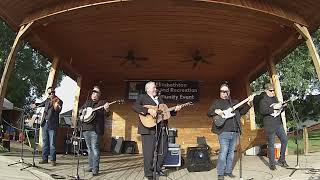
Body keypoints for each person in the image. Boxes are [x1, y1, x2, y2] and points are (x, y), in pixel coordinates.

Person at [132, 81, 181, 180]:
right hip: (147, 128)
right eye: (154, 88)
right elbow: (135, 106)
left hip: (161, 127)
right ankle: (149, 173)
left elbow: (165, 112)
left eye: (155, 87)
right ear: (148, 89)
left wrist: (175, 110)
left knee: (164, 150)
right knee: (148, 152)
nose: (155, 89)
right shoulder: (142, 97)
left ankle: (157, 168)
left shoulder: (160, 99)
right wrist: (148, 110)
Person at [207, 82, 253, 180]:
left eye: (225, 91)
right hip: (223, 131)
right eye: (222, 91)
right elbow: (209, 112)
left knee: (231, 153)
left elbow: (242, 112)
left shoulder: (235, 102)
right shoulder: (217, 102)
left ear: (229, 92)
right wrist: (216, 111)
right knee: (223, 152)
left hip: (235, 131)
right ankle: (220, 173)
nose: (224, 93)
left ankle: (228, 171)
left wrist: (249, 104)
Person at [79, 85, 109, 176]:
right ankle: (91, 166)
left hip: (96, 130)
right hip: (86, 128)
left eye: (96, 92)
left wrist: (107, 109)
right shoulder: (87, 102)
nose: (94, 94)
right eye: (93, 92)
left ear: (99, 94)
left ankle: (95, 169)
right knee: (89, 149)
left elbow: (107, 114)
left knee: (95, 148)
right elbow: (80, 110)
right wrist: (82, 111)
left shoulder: (102, 102)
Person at [259, 83, 288, 170]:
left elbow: (279, 110)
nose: (272, 92)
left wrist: (282, 107)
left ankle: (281, 159)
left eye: (273, 90)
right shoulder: (263, 100)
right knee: (271, 144)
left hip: (278, 123)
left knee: (285, 139)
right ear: (266, 91)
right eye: (271, 91)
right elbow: (263, 111)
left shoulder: (275, 98)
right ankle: (272, 164)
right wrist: (274, 108)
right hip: (269, 125)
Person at [31, 87, 63, 166]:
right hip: (44, 124)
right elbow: (41, 104)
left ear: (54, 92)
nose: (51, 94)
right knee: (45, 143)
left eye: (53, 92)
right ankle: (44, 159)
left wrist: (56, 105)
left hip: (53, 125)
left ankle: (53, 160)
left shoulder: (59, 100)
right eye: (49, 93)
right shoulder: (47, 100)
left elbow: (58, 109)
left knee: (52, 144)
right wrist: (35, 105)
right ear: (48, 94)